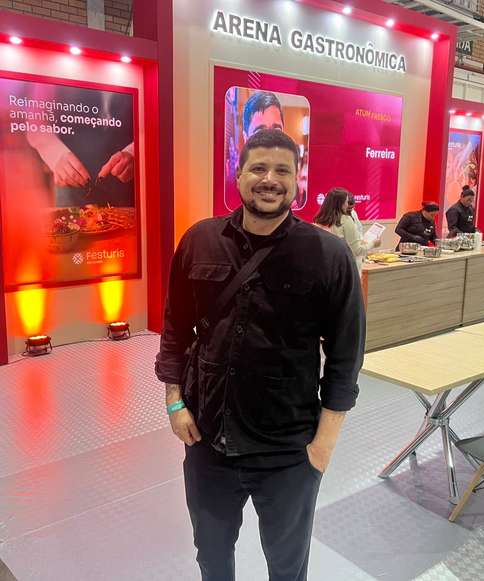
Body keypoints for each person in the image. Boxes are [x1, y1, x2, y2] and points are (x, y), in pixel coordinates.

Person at [156, 129, 364, 581]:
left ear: (298, 180)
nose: (269, 179)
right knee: (212, 559)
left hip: (289, 451)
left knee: (287, 569)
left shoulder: (328, 255)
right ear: (239, 174)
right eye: (259, 168)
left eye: (282, 171)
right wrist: (175, 402)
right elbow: (174, 331)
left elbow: (346, 357)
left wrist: (322, 447)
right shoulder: (200, 241)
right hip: (208, 440)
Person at [313, 188, 379, 274]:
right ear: (340, 204)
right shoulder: (345, 220)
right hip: (345, 270)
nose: (347, 205)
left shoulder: (319, 220)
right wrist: (373, 244)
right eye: (346, 202)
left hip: (325, 268)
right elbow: (357, 250)